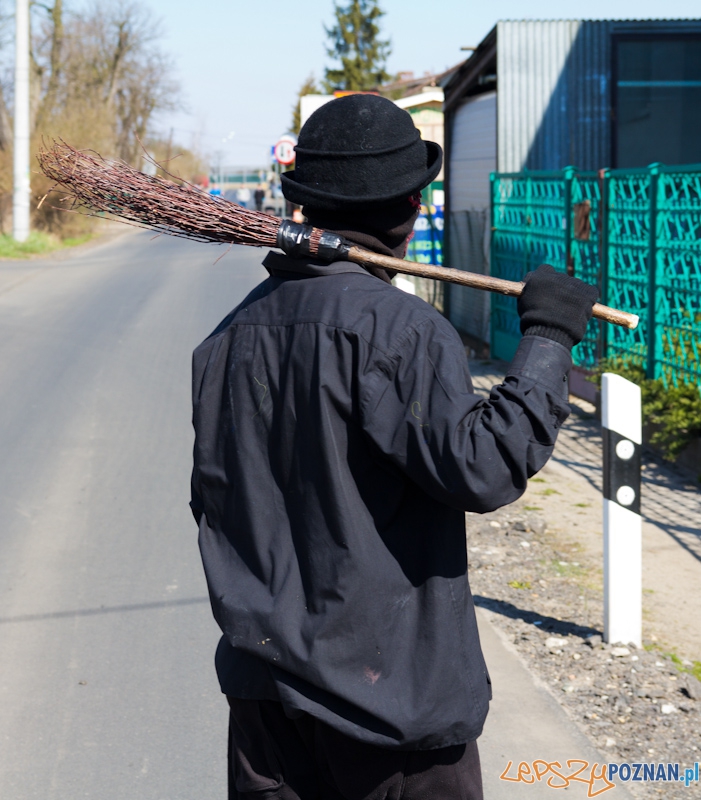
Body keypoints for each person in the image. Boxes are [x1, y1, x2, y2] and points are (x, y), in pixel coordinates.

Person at [190, 94, 598, 799]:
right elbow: (483, 466)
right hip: (389, 717)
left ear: (300, 202)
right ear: (411, 206)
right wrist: (548, 340)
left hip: (265, 711)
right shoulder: (399, 329)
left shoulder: (225, 339)